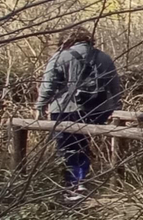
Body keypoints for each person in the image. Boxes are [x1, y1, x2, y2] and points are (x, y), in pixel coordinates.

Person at [35, 28, 121, 201]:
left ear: (66, 41)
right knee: (82, 144)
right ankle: (80, 180)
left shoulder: (61, 57)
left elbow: (48, 85)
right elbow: (115, 86)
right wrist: (115, 106)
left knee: (67, 147)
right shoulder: (104, 57)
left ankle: (73, 186)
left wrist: (40, 106)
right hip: (98, 110)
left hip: (66, 109)